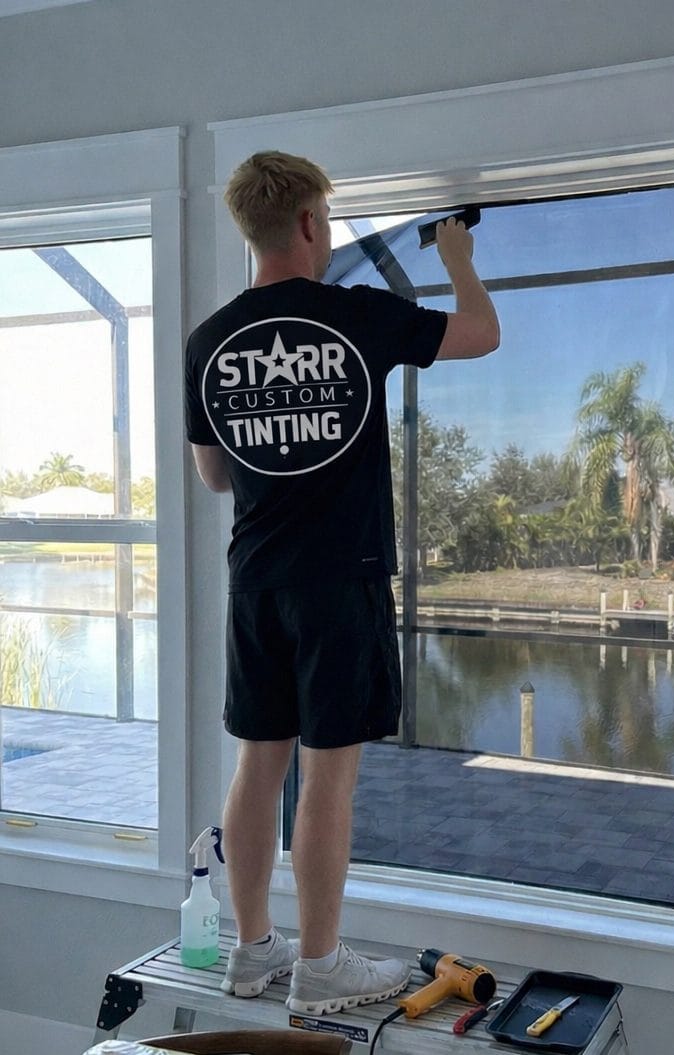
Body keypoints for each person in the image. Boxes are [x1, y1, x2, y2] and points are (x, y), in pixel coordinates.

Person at [183, 150, 499, 1016]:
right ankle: (321, 965)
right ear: (312, 225)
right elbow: (480, 333)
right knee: (327, 780)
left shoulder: (209, 341)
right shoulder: (356, 316)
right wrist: (458, 260)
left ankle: (253, 953)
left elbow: (215, 475)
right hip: (341, 584)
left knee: (259, 765)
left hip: (256, 583)